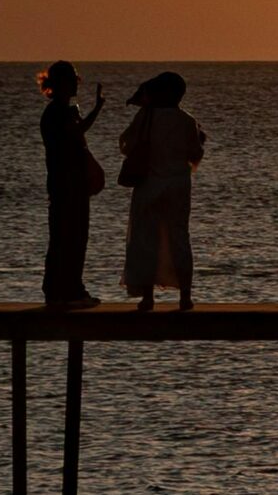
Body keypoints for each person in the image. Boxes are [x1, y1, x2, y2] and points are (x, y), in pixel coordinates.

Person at [118, 71, 206, 313]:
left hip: (149, 185)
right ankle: (185, 297)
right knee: (179, 239)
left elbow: (126, 144)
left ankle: (148, 298)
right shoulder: (187, 121)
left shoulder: (146, 117)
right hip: (178, 187)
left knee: (145, 239)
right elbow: (195, 153)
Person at [36, 61, 105, 309]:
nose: (78, 82)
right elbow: (77, 133)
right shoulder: (57, 112)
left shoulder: (62, 111)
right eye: (74, 78)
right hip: (66, 185)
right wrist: (97, 109)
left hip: (67, 184)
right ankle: (66, 291)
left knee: (67, 239)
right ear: (61, 83)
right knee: (70, 239)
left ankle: (62, 290)